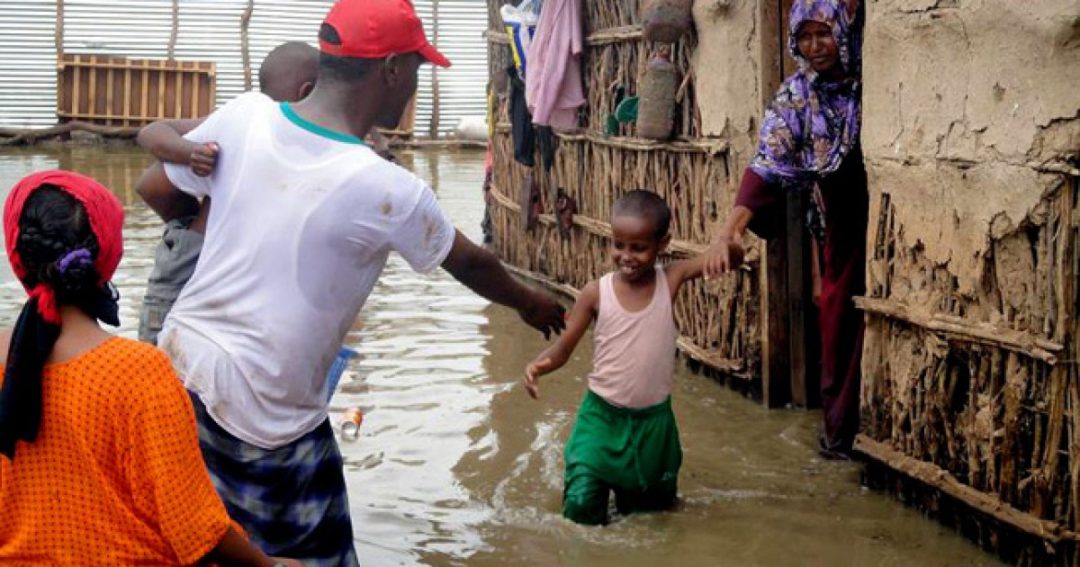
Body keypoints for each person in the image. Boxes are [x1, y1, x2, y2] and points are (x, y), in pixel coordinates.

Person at [132, 0, 566, 563]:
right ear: (391, 69)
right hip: (265, 408)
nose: (415, 85)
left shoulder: (246, 116)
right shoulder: (387, 188)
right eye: (416, 69)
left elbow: (157, 185)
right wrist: (530, 303)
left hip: (176, 371)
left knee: (202, 545)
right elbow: (470, 264)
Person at [0, 171, 299, 566]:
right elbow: (197, 530)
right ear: (108, 255)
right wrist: (271, 565)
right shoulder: (135, 371)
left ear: (17, 256)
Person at [137, 40, 396, 345]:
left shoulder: (310, 151)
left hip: (232, 295)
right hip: (189, 278)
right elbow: (151, 168)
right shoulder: (242, 127)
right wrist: (190, 154)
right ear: (307, 92)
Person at [706, 0, 866, 460]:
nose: (815, 47)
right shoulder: (796, 95)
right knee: (836, 317)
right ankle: (838, 438)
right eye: (805, 37)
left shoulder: (870, 81)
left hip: (883, 214)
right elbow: (766, 164)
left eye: (824, 33)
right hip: (836, 221)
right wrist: (730, 230)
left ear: (844, 30)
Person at [524, 190, 743, 525]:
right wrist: (540, 365)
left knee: (650, 517)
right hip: (600, 419)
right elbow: (564, 348)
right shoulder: (596, 292)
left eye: (638, 248)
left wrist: (727, 247)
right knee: (581, 506)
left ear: (662, 244)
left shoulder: (671, 279)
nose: (626, 256)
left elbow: (731, 259)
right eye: (619, 245)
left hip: (653, 425)